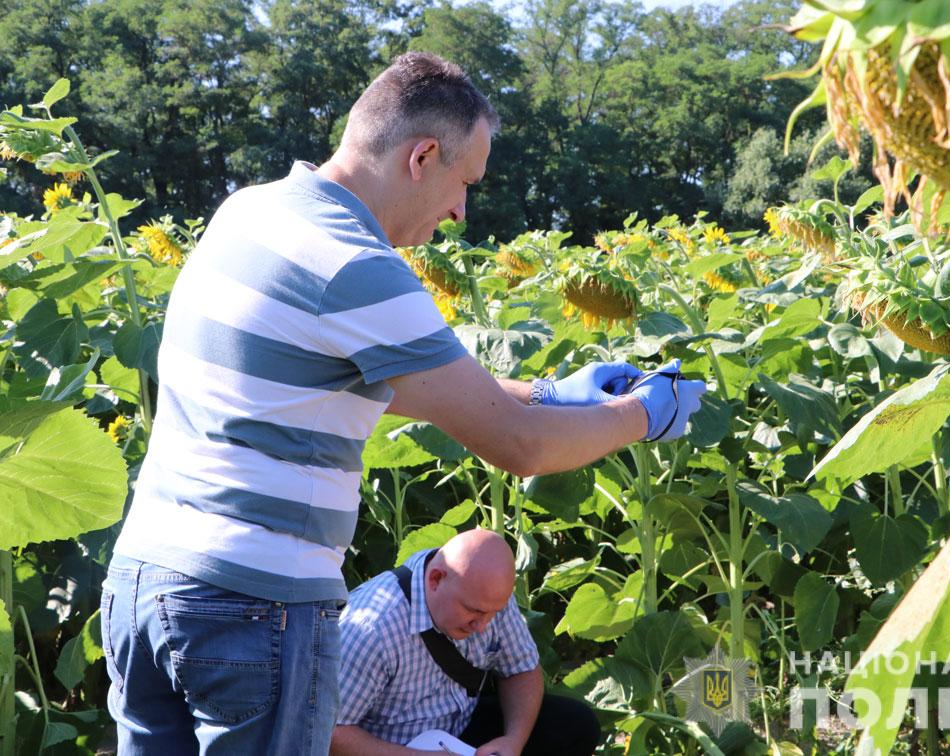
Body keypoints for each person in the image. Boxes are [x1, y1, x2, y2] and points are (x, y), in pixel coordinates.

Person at [99, 51, 706, 754]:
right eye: (465, 182)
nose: (460, 211)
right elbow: (518, 446)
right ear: (422, 156)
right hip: (251, 604)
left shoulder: (249, 213)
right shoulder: (357, 265)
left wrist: (550, 392)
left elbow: (356, 385)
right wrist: (645, 415)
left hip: (146, 582)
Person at [330, 529, 601, 756]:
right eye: (473, 611)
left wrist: (512, 741)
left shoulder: (485, 596)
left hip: (460, 731)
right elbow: (330, 732)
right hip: (389, 747)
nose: (482, 625)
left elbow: (521, 668)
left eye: (493, 612)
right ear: (435, 579)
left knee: (576, 725)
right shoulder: (372, 629)